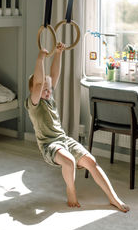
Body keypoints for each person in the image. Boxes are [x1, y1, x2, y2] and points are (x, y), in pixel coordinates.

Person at [25, 42, 130, 213]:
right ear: (34, 91)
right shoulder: (34, 103)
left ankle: (113, 198)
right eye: (44, 90)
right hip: (49, 145)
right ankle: (71, 190)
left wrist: (58, 53)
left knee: (91, 162)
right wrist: (40, 59)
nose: (48, 92)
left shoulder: (49, 98)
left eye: (49, 89)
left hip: (63, 140)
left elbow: (53, 75)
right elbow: (38, 83)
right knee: (69, 161)